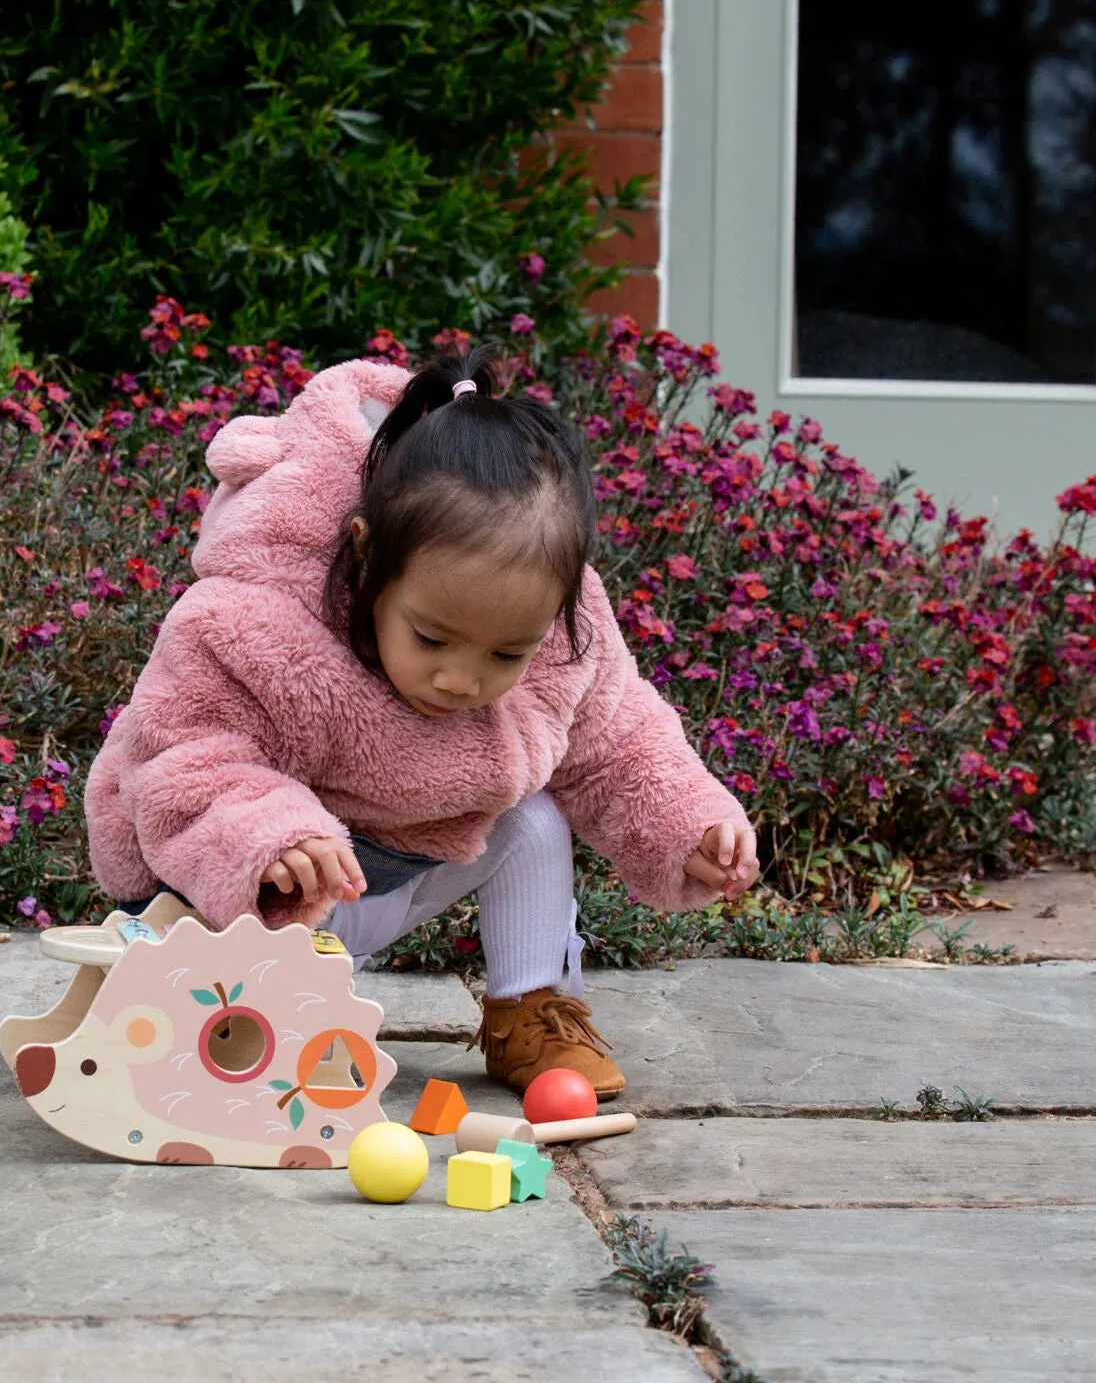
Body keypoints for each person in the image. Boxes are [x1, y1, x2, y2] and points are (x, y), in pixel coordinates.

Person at [85, 345, 757, 1099]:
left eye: (507, 653)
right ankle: (241, 1015)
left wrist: (688, 826)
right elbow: (185, 747)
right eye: (431, 638)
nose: (460, 680)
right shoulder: (262, 617)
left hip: (383, 879)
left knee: (533, 819)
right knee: (235, 1005)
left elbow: (619, 744)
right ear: (369, 559)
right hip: (238, 897)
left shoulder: (565, 634)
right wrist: (267, 835)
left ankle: (530, 1010)